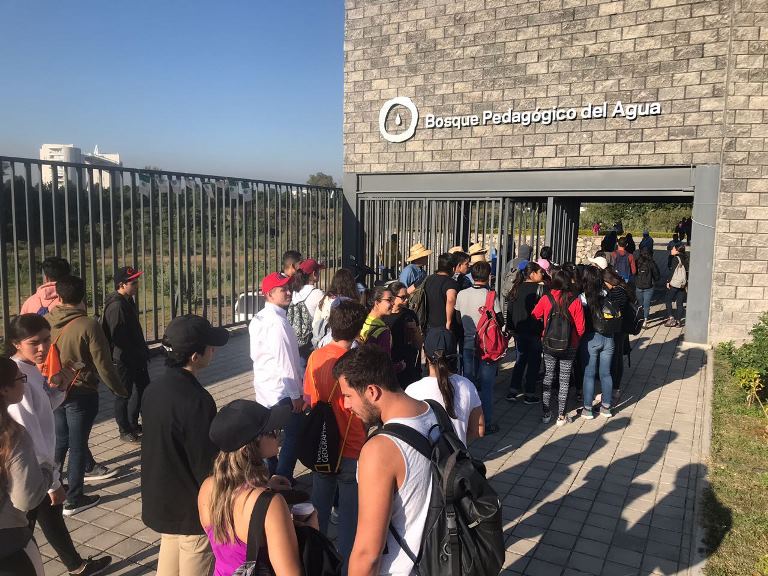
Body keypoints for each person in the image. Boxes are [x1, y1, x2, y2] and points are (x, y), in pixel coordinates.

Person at [7, 315, 112, 576]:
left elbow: (44, 410)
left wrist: (61, 386)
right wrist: (54, 481)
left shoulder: (28, 369)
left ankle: (76, 565)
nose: (43, 348)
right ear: (16, 344)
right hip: (28, 470)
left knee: (47, 517)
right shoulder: (17, 378)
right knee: (20, 531)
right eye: (34, 343)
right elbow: (32, 438)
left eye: (46, 340)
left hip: (34, 469)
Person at [334, 345, 438, 576]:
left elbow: (367, 553)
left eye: (348, 395)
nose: (346, 405)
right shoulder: (433, 411)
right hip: (441, 559)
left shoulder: (380, 450)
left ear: (372, 391)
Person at [141, 314, 230, 576]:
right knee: (196, 551)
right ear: (194, 356)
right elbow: (206, 463)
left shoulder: (153, 389)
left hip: (161, 498)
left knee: (170, 547)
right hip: (191, 507)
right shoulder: (197, 400)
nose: (213, 351)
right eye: (210, 346)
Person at [47, 275, 129, 516]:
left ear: (59, 297)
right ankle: (74, 498)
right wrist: (119, 390)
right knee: (78, 444)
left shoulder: (47, 320)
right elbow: (103, 364)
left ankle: (51, 486)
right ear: (82, 297)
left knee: (60, 441)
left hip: (54, 389)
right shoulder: (88, 325)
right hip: (81, 390)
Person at [198, 400, 302, 576]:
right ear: (250, 448)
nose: (278, 436)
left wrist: (266, 484)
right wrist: (311, 531)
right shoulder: (270, 504)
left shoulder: (208, 488)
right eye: (272, 432)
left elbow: (235, 501)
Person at [304, 300, 368, 565]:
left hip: (322, 443)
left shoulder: (317, 356)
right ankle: (345, 564)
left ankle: (315, 559)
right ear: (358, 329)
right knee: (350, 518)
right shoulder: (359, 361)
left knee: (318, 506)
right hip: (352, 445)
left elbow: (308, 398)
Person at [249, 272, 304, 480]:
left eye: (288, 288)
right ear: (270, 295)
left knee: (268, 435)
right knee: (294, 433)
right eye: (283, 289)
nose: (289, 292)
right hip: (281, 391)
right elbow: (286, 362)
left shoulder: (259, 318)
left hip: (265, 388)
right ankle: (282, 478)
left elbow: (254, 354)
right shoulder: (278, 323)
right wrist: (296, 395)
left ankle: (270, 473)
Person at [0, 357, 51, 576]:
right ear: (4, 389)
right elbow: (26, 498)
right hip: (8, 542)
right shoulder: (12, 436)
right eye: (20, 378)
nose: (24, 382)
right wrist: (47, 472)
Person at [406, 328, 484, 444]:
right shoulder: (467, 386)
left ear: (425, 354)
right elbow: (479, 430)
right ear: (454, 354)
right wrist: (457, 447)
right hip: (457, 459)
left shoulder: (412, 391)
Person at [102, 266, 150, 444]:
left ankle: (132, 422)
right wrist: (132, 354)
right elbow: (118, 337)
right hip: (123, 358)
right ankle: (124, 429)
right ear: (122, 285)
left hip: (136, 356)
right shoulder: (116, 306)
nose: (137, 285)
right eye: (134, 282)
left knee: (144, 388)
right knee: (123, 394)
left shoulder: (128, 300)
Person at [531, 269, 585, 426]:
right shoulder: (575, 300)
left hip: (548, 343)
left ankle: (546, 413)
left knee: (548, 376)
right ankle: (561, 416)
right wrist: (574, 340)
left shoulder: (546, 298)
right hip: (569, 345)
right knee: (564, 379)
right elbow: (581, 328)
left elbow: (534, 315)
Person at [455, 261, 502, 434]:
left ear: (472, 275)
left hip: (468, 343)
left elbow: (459, 319)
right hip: (487, 346)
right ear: (488, 276)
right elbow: (499, 320)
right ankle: (486, 423)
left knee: (468, 383)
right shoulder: (490, 295)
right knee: (487, 386)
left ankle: (467, 420)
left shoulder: (461, 293)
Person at [579, 266, 617, 419]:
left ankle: (587, 409)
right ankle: (606, 407)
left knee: (588, 375)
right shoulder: (607, 294)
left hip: (590, 339)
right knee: (606, 374)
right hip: (608, 337)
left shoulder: (583, 297)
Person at [506, 261, 545, 404]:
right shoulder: (540, 290)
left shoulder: (516, 288)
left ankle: (513, 390)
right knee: (534, 362)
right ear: (533, 274)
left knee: (520, 360)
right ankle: (529, 393)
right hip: (535, 331)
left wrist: (511, 328)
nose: (542, 274)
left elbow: (509, 310)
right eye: (540, 272)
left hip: (519, 331)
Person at [383, 281, 423, 388]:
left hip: (408, 365)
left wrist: (414, 329)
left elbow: (419, 344)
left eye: (407, 297)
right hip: (390, 364)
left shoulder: (410, 314)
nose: (406, 300)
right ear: (393, 297)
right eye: (403, 297)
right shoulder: (383, 316)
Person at [312, 268, 359, 349]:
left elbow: (315, 323)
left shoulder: (325, 299)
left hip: (325, 341)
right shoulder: (352, 303)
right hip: (347, 342)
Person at [603, 268, 631, 400]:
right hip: (623, 328)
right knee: (617, 358)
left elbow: (612, 310)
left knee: (615, 359)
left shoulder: (615, 292)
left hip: (617, 329)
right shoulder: (623, 288)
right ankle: (616, 387)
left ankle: (614, 388)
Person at [289, 259, 326, 361]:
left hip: (297, 341)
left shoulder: (295, 293)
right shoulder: (318, 294)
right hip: (311, 341)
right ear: (314, 274)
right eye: (318, 271)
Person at [423, 253, 459, 339]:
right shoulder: (450, 283)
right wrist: (448, 322)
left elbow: (409, 290)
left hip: (427, 324)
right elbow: (450, 299)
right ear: (453, 268)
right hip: (443, 328)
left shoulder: (428, 279)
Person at [359, 286, 397, 360]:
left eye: (393, 299)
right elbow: (385, 362)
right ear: (376, 303)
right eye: (389, 300)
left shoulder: (362, 321)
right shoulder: (383, 331)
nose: (393, 303)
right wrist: (400, 366)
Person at [664, 244, 689, 327]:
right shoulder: (686, 258)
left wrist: (668, 281)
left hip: (675, 284)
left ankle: (671, 318)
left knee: (668, 299)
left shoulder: (675, 258)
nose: (671, 250)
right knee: (680, 303)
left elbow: (672, 272)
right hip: (682, 284)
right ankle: (678, 321)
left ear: (677, 250)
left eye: (673, 249)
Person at [634, 248, 660, 325]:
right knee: (647, 303)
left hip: (639, 286)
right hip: (649, 286)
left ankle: (639, 316)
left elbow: (634, 272)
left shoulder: (637, 262)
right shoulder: (652, 263)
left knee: (640, 303)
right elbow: (657, 275)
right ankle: (645, 319)